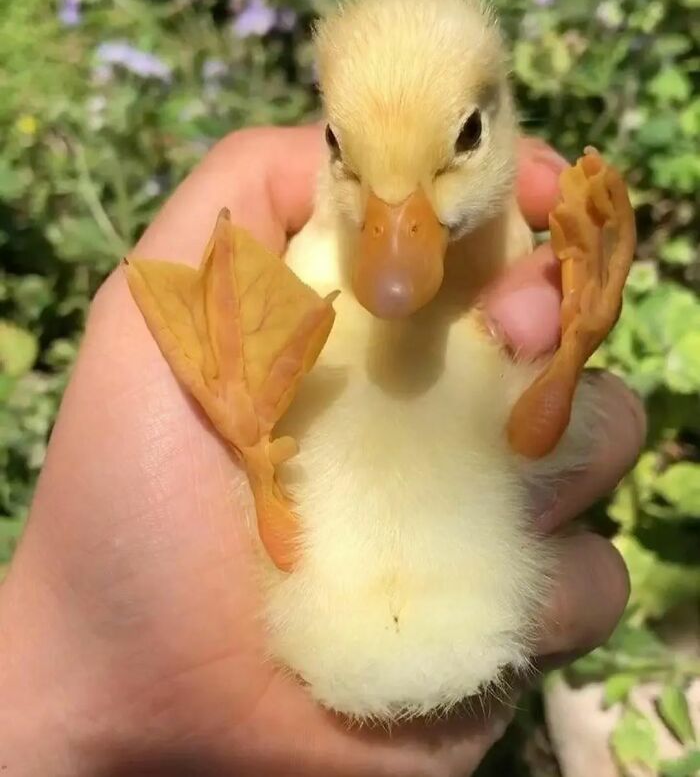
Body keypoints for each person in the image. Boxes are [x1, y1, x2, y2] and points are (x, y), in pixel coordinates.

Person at [0, 126, 645, 777]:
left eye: (469, 134)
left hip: (433, 626)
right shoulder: (315, 276)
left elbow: (527, 439)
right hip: (381, 631)